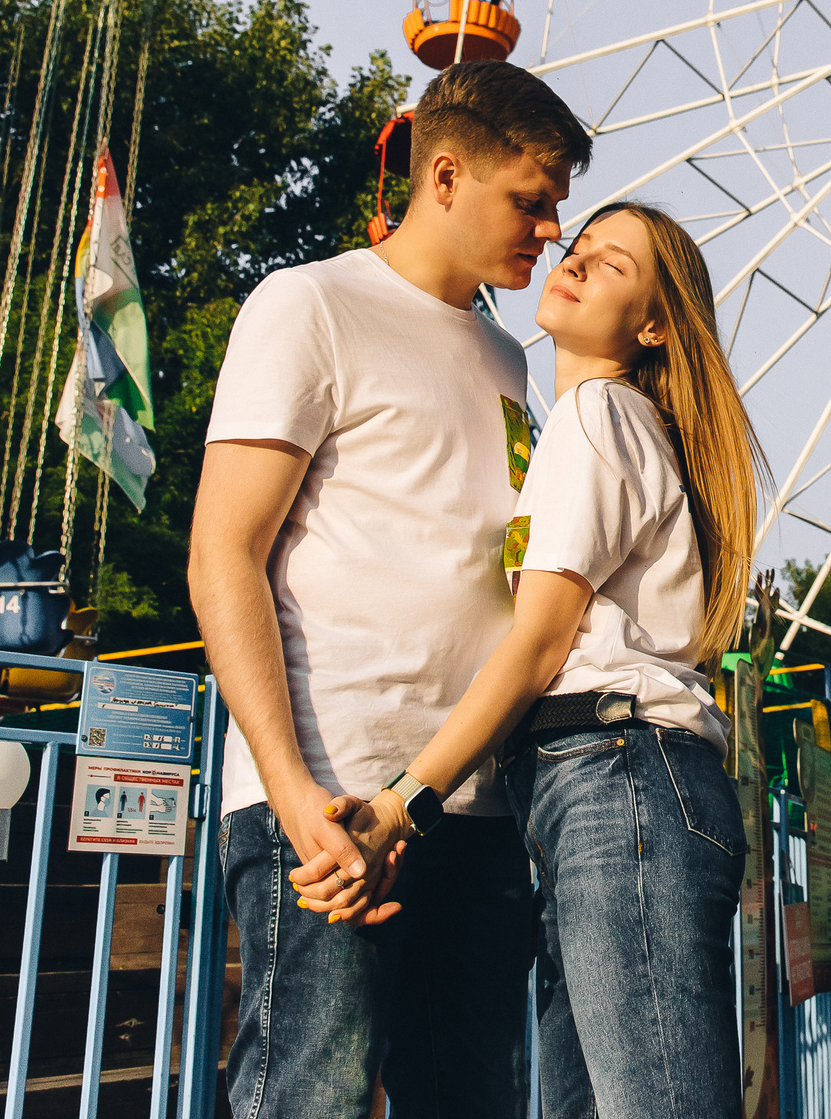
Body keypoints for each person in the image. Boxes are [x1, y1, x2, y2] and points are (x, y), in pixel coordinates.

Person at [188, 61, 592, 1119]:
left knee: (471, 1100)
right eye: (531, 199)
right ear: (445, 175)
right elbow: (223, 553)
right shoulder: (310, 303)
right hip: (330, 791)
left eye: (556, 206)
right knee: (305, 1096)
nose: (551, 230)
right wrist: (292, 796)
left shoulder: (512, 359)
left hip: (475, 802)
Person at [300, 201, 762, 1119]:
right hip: (610, 786)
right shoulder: (607, 427)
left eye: (614, 265)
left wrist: (401, 802)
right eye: (580, 245)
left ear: (655, 324)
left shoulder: (597, 412)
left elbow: (540, 642)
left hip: (619, 778)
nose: (577, 260)